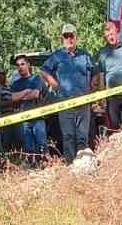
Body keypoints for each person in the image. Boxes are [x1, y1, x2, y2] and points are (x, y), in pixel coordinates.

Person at [40, 24, 98, 161]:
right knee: (68, 137)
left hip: (83, 103)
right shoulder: (57, 56)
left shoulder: (85, 55)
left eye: (71, 35)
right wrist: (53, 82)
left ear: (76, 37)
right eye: (66, 36)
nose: (69, 39)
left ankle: (83, 165)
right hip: (65, 104)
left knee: (82, 137)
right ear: (62, 38)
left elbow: (96, 71)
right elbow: (43, 71)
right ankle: (70, 167)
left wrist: (92, 85)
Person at [10, 54, 50, 164]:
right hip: (24, 119)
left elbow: (35, 95)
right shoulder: (15, 83)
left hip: (38, 117)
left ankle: (45, 165)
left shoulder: (36, 78)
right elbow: (12, 98)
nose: (20, 67)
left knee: (41, 143)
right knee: (28, 146)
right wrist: (26, 91)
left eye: (22, 64)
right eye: (18, 65)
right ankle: (33, 168)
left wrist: (20, 96)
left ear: (28, 65)